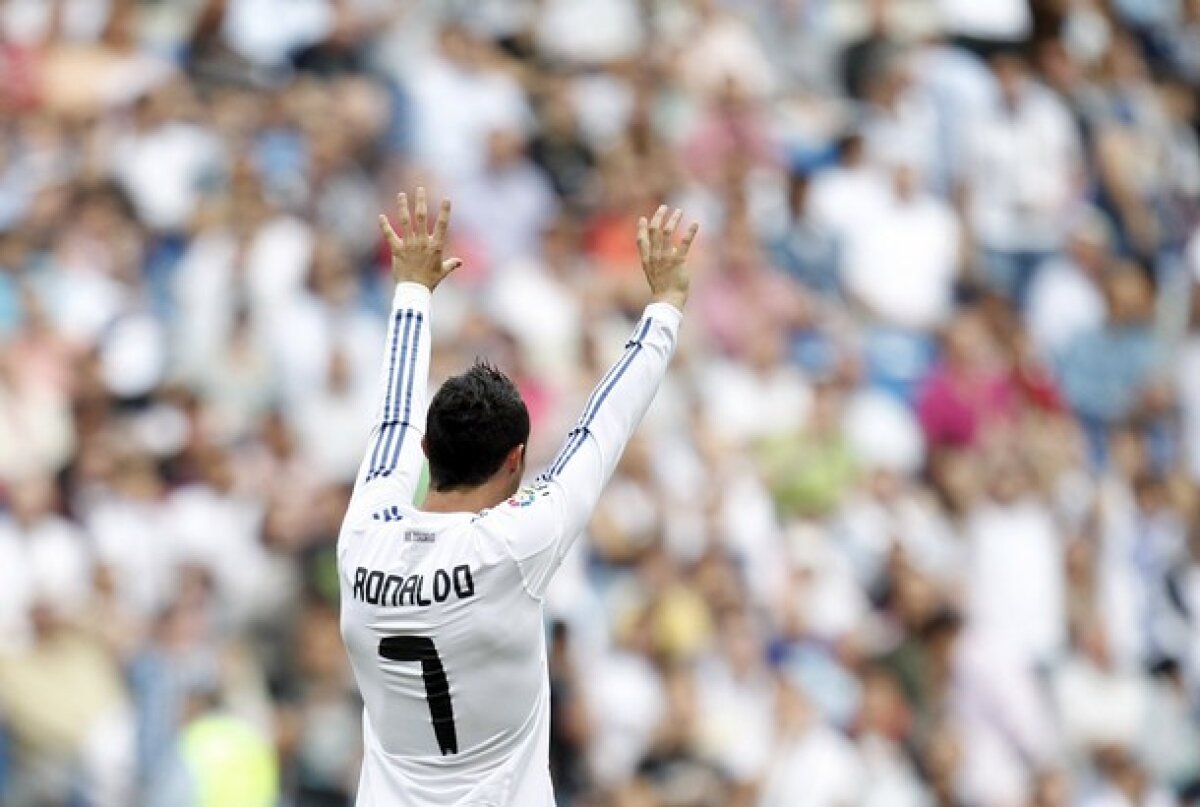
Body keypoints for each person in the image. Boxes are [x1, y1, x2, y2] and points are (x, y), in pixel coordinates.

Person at [337, 187, 697, 805]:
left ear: (426, 452)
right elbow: (600, 430)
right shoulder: (514, 544)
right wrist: (664, 306)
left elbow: (393, 414)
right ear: (515, 460)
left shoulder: (365, 534)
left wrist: (412, 289)